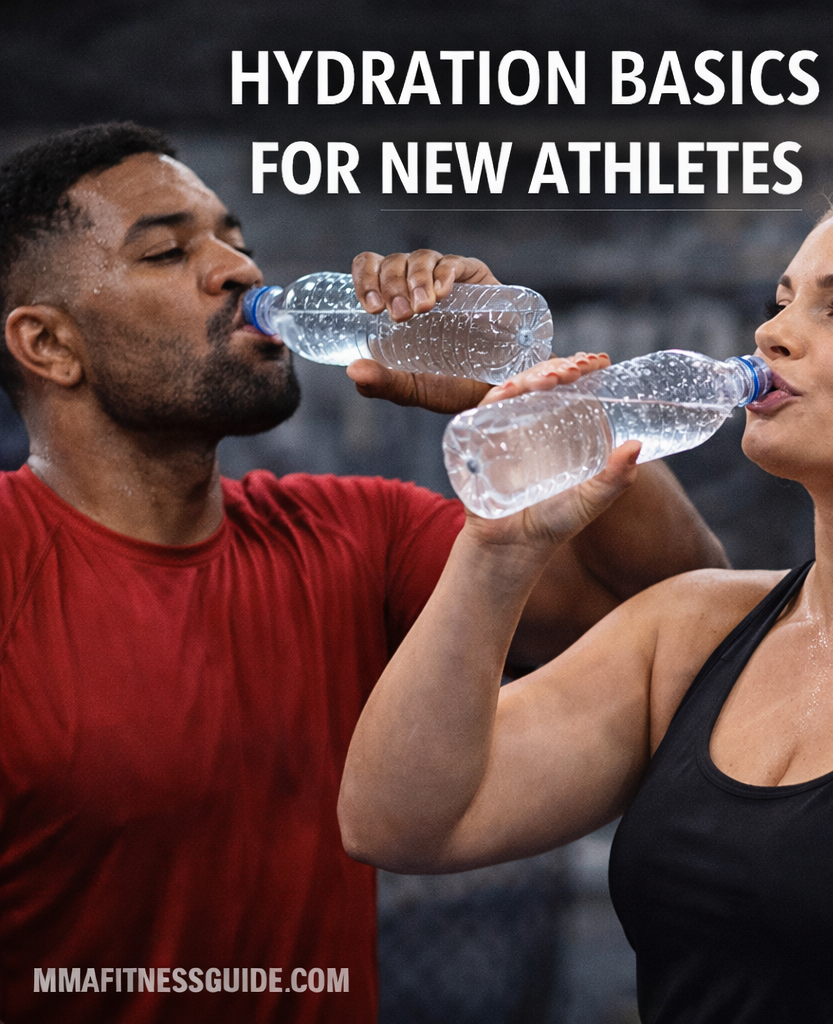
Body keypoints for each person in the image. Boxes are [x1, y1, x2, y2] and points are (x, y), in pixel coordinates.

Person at [0, 122, 727, 1024]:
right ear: (49, 345)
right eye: (166, 253)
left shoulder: (354, 534)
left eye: (236, 240)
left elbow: (677, 622)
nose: (238, 271)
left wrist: (529, 385)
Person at [341, 180, 833, 1022]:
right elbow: (397, 824)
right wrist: (498, 549)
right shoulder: (691, 629)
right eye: (782, 302)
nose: (774, 334)